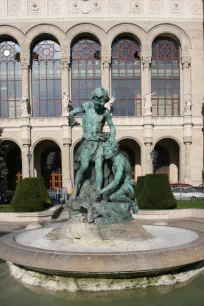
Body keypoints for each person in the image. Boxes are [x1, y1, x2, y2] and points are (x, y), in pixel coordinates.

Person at [68, 88, 116, 200]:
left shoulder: (105, 112)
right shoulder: (86, 106)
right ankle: (75, 191)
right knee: (84, 166)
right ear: (94, 98)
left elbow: (112, 126)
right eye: (99, 102)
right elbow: (71, 113)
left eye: (103, 103)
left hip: (99, 143)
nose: (101, 105)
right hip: (87, 142)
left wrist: (112, 137)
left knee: (99, 167)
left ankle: (98, 193)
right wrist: (72, 121)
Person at [98, 140, 138, 213]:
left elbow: (116, 181)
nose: (104, 153)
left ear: (114, 151)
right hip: (120, 184)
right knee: (106, 198)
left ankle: (133, 203)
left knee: (113, 197)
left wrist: (102, 191)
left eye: (107, 151)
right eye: (104, 151)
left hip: (127, 184)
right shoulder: (114, 160)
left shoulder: (120, 161)